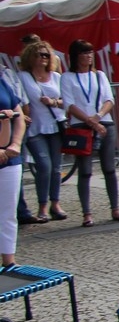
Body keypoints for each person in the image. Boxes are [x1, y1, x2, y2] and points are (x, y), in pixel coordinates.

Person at [63, 40, 119, 225]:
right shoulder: (68, 77)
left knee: (109, 168)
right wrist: (89, 121)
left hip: (104, 123)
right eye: (84, 53)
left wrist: (98, 117)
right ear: (76, 56)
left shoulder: (99, 75)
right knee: (85, 170)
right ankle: (87, 213)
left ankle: (115, 208)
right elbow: (69, 104)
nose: (88, 56)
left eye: (90, 52)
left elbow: (109, 99)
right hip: (81, 125)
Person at [17, 40, 66, 222]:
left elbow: (66, 101)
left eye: (47, 55)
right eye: (39, 55)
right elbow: (20, 99)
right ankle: (42, 205)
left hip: (56, 125)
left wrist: (53, 102)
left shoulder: (56, 77)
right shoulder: (23, 77)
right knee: (44, 167)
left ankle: (55, 203)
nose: (44, 58)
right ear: (31, 57)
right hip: (35, 128)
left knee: (56, 168)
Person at [0, 77, 25, 267]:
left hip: (9, 158)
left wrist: (15, 143)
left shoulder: (2, 82)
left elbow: (19, 116)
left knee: (8, 212)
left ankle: (9, 261)